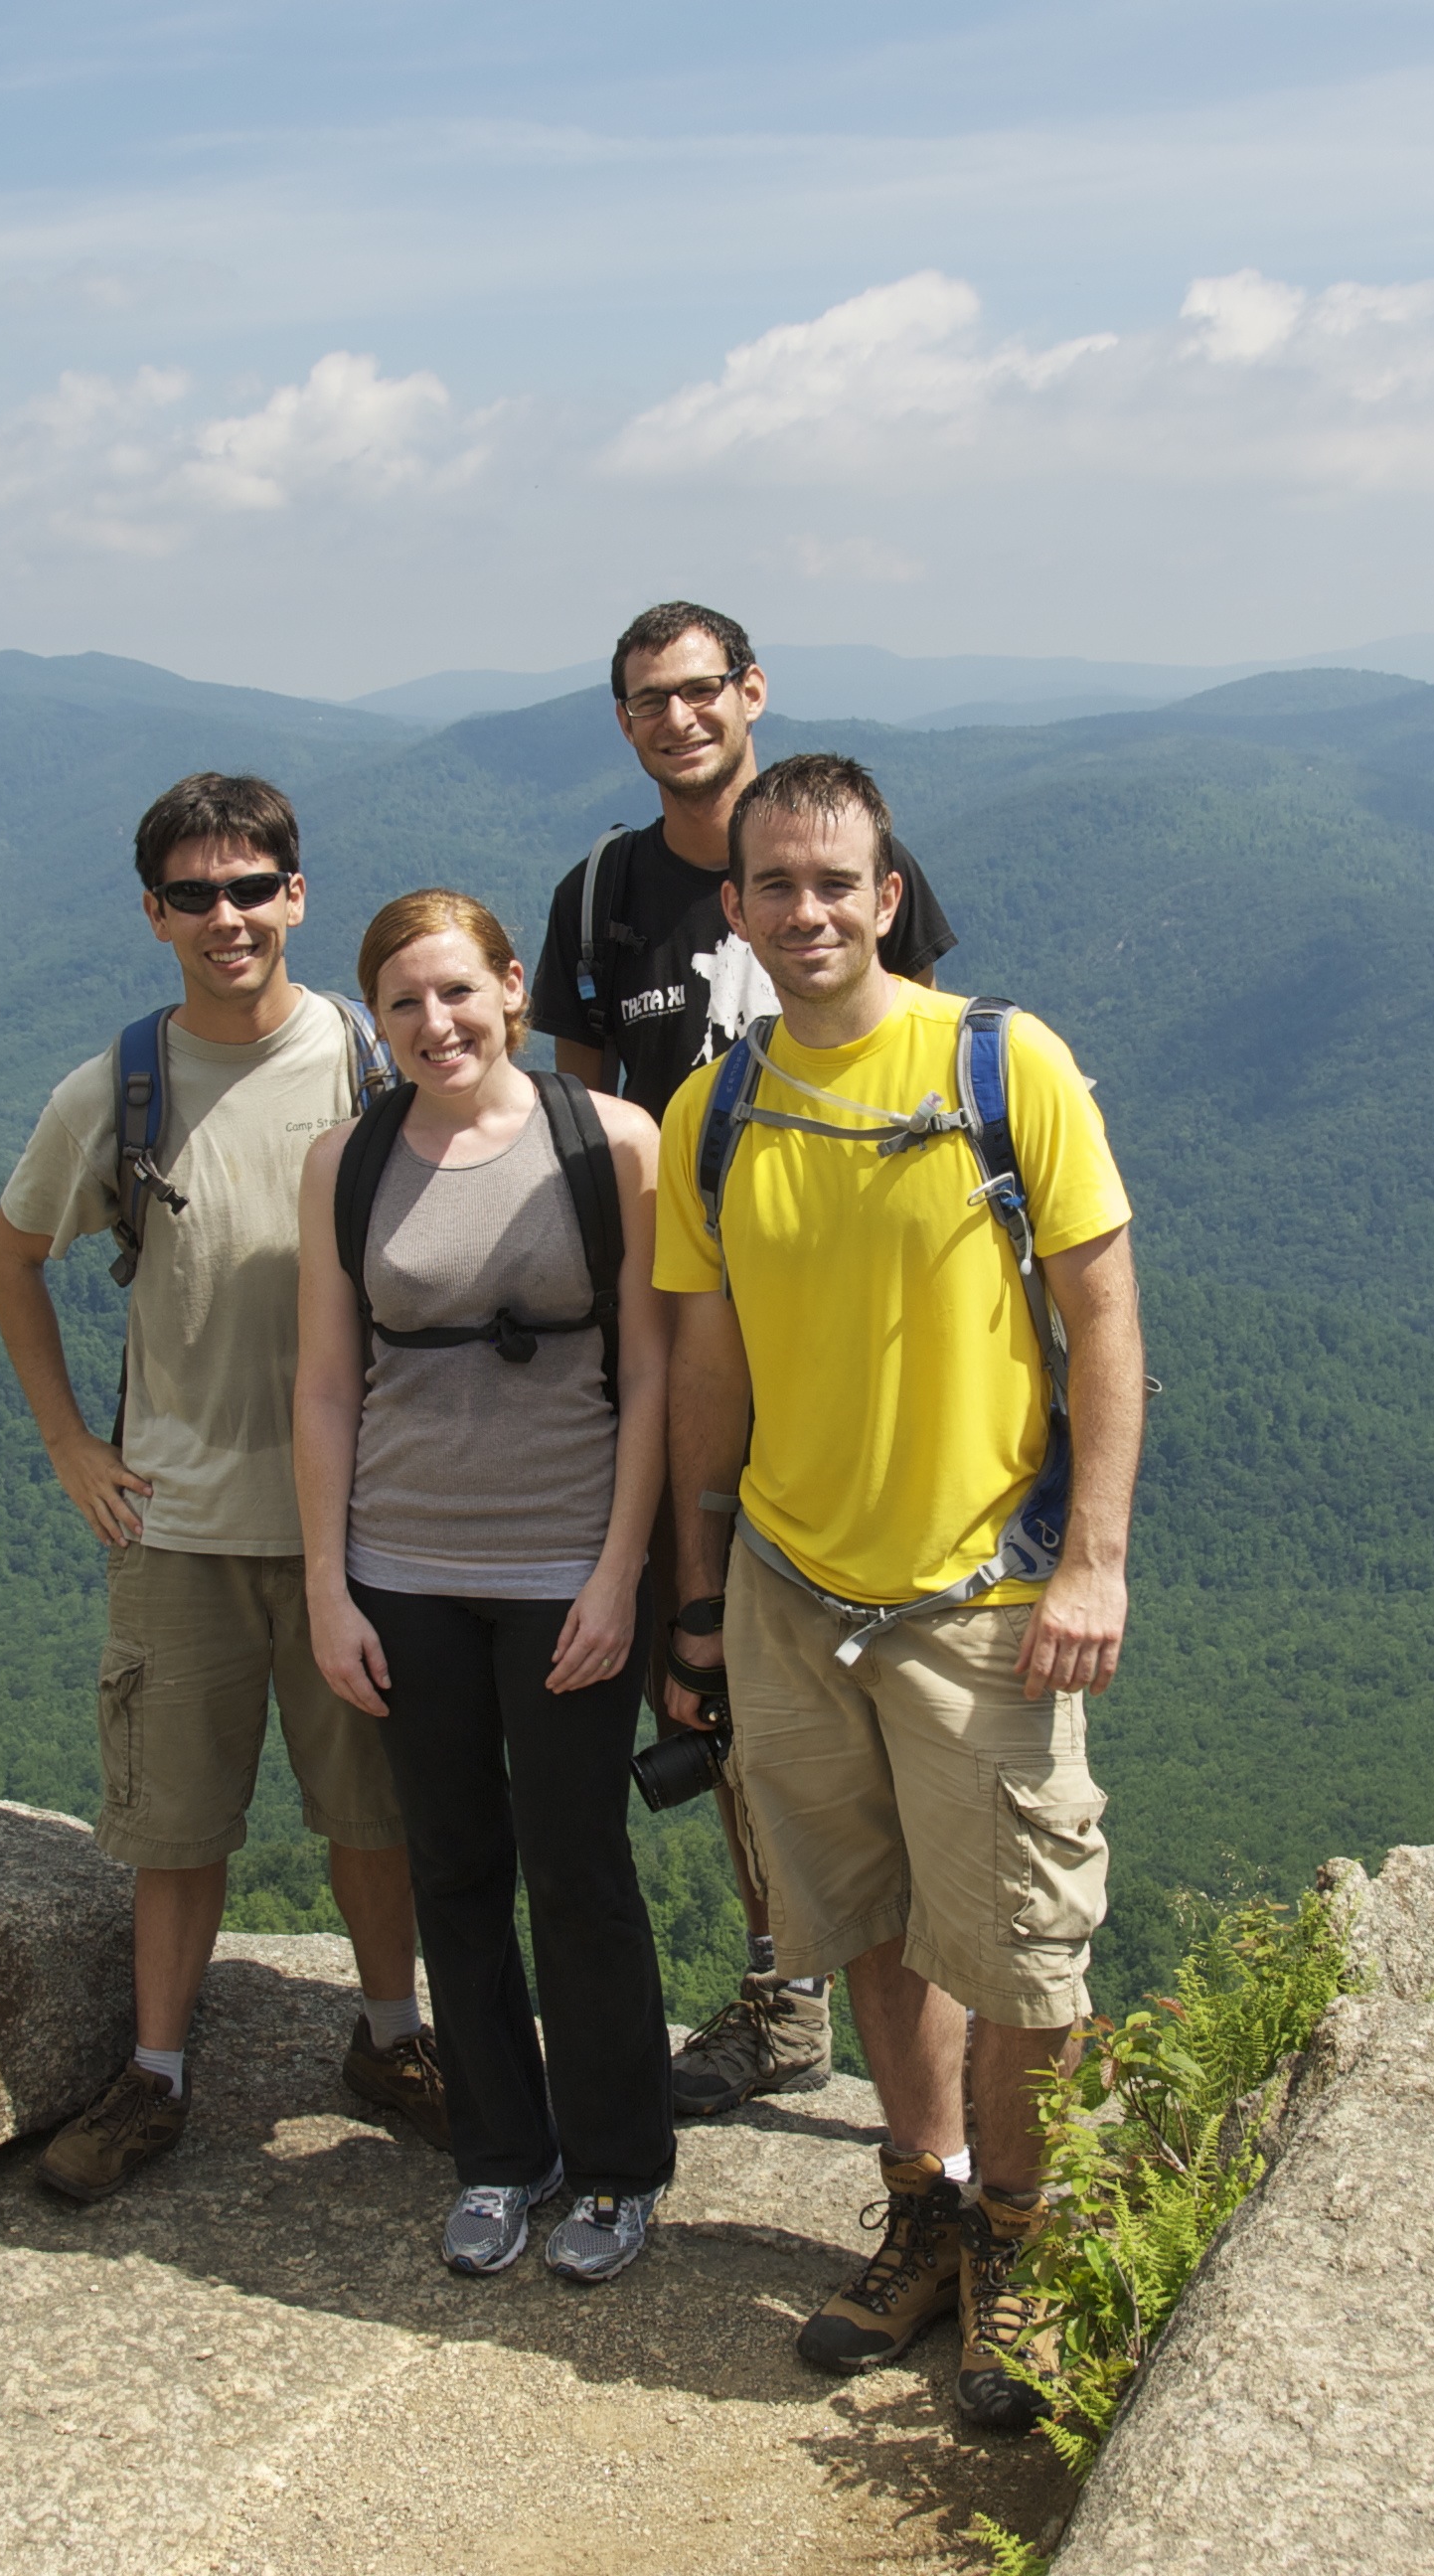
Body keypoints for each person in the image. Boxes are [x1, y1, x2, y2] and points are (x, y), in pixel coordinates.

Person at [653, 751, 1142, 2433]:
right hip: (791, 1588)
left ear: (888, 893)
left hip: (981, 1599)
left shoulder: (1005, 1065)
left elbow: (1105, 1319)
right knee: (863, 1921)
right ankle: (923, 2204)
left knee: (1023, 1955)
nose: (807, 911)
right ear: (734, 910)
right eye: (774, 886)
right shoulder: (715, 1111)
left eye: (835, 882)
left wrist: (1096, 1559)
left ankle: (1020, 2235)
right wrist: (698, 1593)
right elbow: (708, 1365)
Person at [530, 599, 961, 2125]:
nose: (678, 718)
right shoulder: (601, 899)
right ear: (625, 720)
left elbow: (935, 1057)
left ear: (752, 692)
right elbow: (583, 1123)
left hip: (859, 1329)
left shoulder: (833, 855)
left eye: (700, 689)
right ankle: (789, 1991)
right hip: (688, 1321)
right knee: (710, 1663)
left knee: (906, 1662)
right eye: (649, 698)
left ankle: (934, 2007)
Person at [0, 771, 442, 2204]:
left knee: (373, 1811)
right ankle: (157, 2073)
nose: (226, 917)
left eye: (251, 888)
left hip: (359, 1526)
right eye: (195, 895)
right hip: (176, 1524)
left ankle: (394, 2038)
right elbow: (12, 1256)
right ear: (155, 913)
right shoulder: (114, 1091)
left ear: (297, 895)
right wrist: (72, 1446)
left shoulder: (374, 1064)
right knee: (173, 1828)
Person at [294, 890, 676, 2283]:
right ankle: (501, 2154)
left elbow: (653, 1372)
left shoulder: (610, 1142)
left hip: (569, 1561)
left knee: (579, 1870)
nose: (434, 1023)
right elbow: (325, 1383)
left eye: (457, 991)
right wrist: (329, 1587)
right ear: (376, 1020)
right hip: (402, 1566)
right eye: (402, 1002)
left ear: (514, 987)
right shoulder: (345, 1160)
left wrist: (622, 1574)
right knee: (453, 1867)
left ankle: (619, 2165)